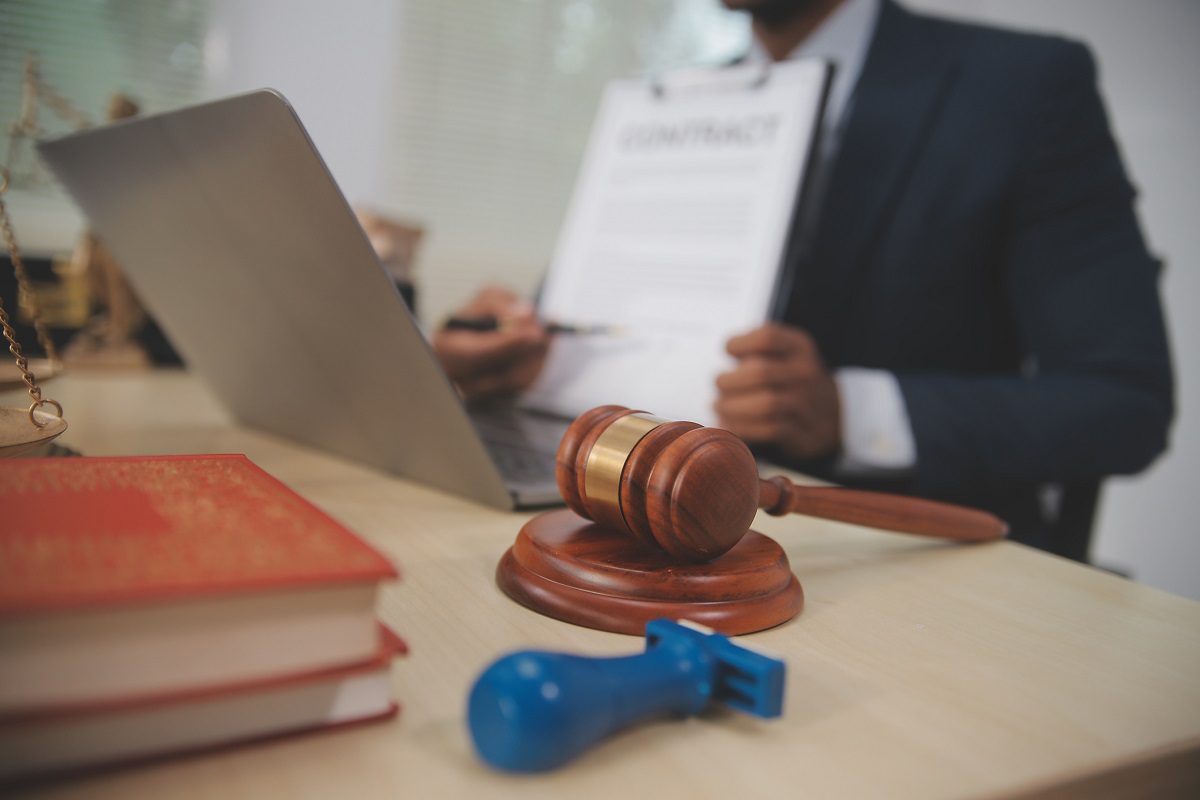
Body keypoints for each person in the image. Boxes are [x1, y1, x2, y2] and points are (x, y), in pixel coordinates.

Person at [432, 0, 1174, 562]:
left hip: (889, 557)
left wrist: (849, 410)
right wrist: (515, 356)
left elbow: (1125, 402)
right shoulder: (673, 108)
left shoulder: (1024, 89)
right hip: (650, 531)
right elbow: (587, 334)